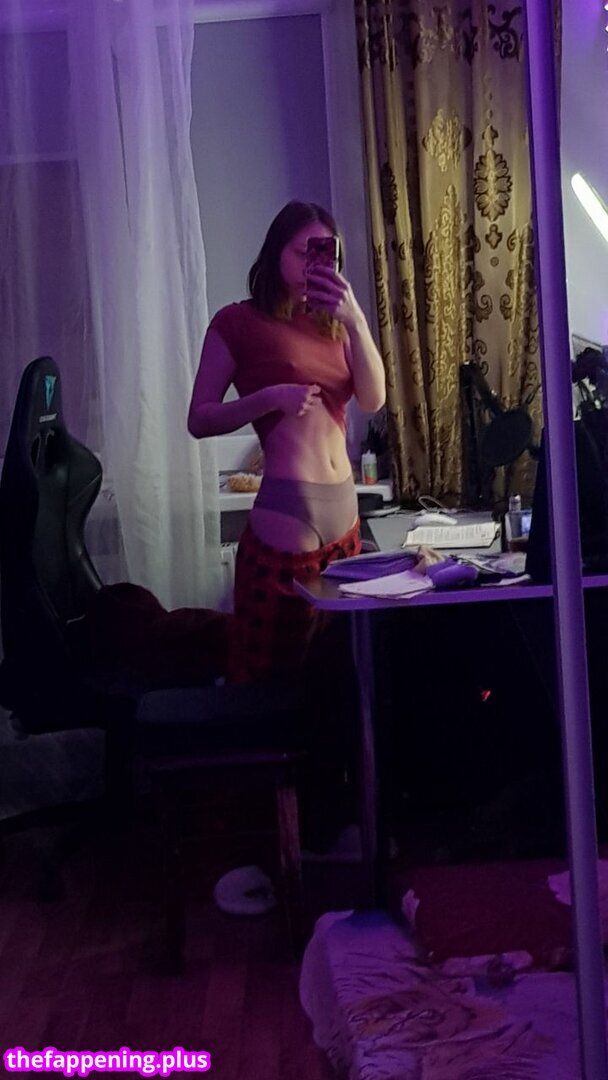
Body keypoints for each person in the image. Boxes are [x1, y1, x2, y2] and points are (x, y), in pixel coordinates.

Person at [188, 201, 385, 684]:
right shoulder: (238, 322)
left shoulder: (335, 323)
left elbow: (374, 398)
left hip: (346, 524)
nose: (313, 264)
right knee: (269, 678)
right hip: (287, 517)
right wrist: (268, 398)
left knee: (338, 680)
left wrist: (356, 320)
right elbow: (200, 418)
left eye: (326, 254)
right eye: (303, 252)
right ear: (276, 251)